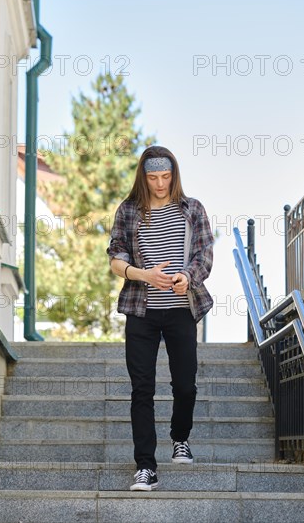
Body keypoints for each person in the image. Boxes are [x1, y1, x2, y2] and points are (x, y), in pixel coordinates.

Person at [106, 145, 214, 491]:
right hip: (141, 311)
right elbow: (115, 257)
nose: (160, 183)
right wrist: (143, 275)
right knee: (142, 389)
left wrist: (186, 277)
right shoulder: (129, 211)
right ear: (144, 177)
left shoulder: (191, 209)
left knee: (185, 384)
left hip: (182, 309)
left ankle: (180, 438)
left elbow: (204, 252)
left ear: (174, 174)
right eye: (153, 177)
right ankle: (145, 467)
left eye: (165, 176)